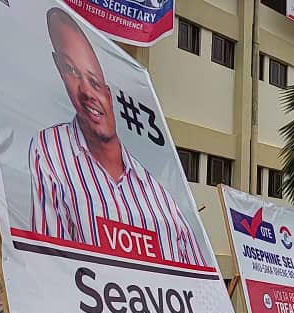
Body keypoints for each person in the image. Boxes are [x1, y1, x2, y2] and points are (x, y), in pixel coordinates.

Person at [29, 8, 206, 266]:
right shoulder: (51, 150)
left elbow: (201, 282)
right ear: (59, 70)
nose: (87, 92)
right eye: (71, 70)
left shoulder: (160, 197)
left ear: (110, 96)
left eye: (95, 82)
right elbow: (49, 265)